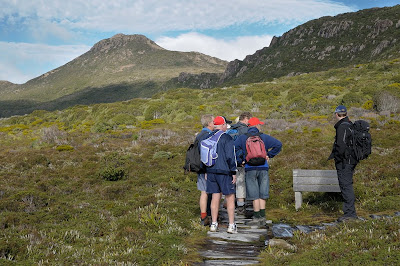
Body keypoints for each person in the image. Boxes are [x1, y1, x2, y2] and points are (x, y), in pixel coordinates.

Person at [235, 117, 282, 226]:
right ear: (257, 126)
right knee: (262, 192)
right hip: (263, 167)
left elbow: (235, 149)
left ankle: (256, 217)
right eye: (259, 124)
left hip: (249, 168)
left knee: (254, 193)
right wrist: (269, 155)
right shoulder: (264, 137)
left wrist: (241, 160)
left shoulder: (242, 138)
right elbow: (278, 144)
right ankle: (262, 216)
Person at [205, 116, 238, 233]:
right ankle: (231, 225)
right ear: (222, 125)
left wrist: (206, 170)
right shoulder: (227, 138)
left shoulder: (208, 137)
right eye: (226, 124)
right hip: (224, 171)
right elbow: (231, 156)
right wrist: (233, 171)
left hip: (211, 171)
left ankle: (214, 224)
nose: (226, 126)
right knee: (230, 197)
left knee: (215, 197)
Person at [328, 105, 359, 222]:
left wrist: (338, 158)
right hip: (351, 161)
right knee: (347, 185)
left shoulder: (342, 127)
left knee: (346, 186)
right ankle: (350, 213)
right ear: (345, 113)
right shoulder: (350, 124)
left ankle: (350, 214)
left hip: (345, 162)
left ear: (336, 114)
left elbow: (341, 146)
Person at [229, 112, 252, 215]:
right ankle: (241, 206)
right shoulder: (246, 131)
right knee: (241, 183)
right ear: (246, 119)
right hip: (241, 161)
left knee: (232, 182)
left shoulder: (230, 130)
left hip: (229, 160)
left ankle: (229, 202)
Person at [196, 114, 214, 226]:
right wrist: (207, 169)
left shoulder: (199, 135)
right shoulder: (207, 135)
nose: (214, 123)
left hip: (200, 167)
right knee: (210, 192)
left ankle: (204, 216)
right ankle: (211, 216)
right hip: (207, 168)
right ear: (209, 123)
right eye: (213, 121)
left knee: (203, 192)